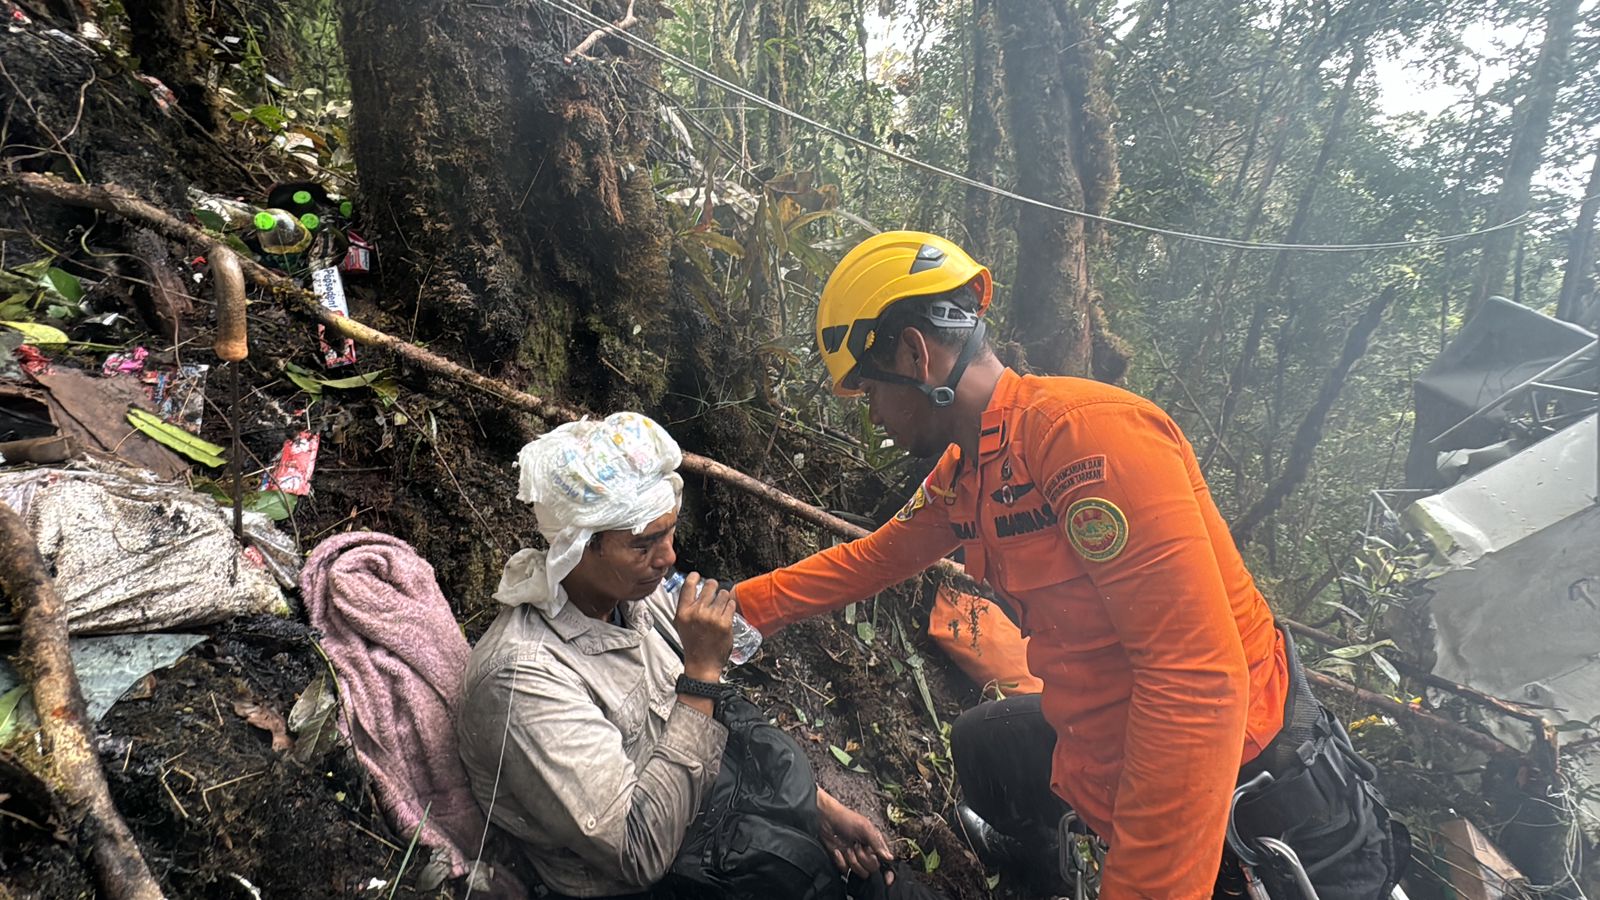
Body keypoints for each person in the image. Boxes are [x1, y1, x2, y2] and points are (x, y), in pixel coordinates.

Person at [731, 232, 1405, 899]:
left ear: (914, 354)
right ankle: (1036, 863)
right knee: (985, 744)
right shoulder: (969, 471)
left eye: (870, 389)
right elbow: (875, 559)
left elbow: (1196, 683)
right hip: (1106, 736)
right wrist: (742, 609)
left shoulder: (1086, 439)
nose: (872, 413)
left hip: (1249, 804)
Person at [456, 412, 939, 900]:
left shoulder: (634, 599)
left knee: (888, 885)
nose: (668, 557)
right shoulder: (524, 679)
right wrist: (702, 673)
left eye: (669, 532)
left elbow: (706, 734)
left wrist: (816, 807)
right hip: (660, 879)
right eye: (644, 543)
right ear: (580, 546)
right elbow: (639, 850)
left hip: (726, 829)